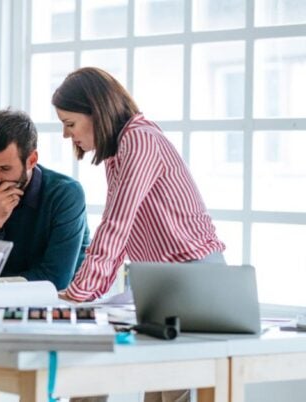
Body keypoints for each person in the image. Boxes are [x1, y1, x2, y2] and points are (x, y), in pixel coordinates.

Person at [53, 67, 226, 402]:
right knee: (158, 391)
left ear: (95, 111)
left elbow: (116, 225)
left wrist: (77, 295)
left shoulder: (139, 139)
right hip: (162, 282)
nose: (66, 135)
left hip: (193, 278)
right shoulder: (117, 152)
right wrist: (85, 294)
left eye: (69, 123)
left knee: (171, 391)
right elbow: (120, 235)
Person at [0, 109, 90, 288]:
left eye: (4, 169)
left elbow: (56, 279)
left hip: (58, 306)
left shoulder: (65, 195)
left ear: (31, 160)